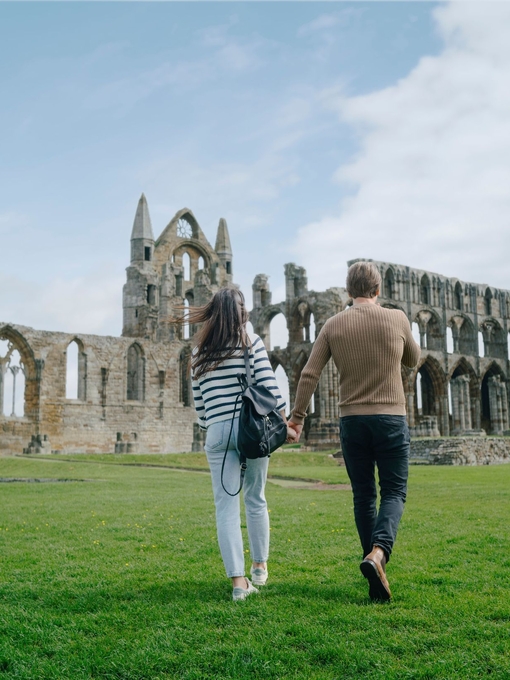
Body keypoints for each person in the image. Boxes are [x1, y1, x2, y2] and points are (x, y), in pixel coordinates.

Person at [288, 261, 420, 601]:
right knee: (393, 492)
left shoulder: (334, 324)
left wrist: (297, 417)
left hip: (352, 422)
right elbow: (413, 359)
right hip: (391, 418)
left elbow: (309, 373)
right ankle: (378, 555)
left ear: (349, 292)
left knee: (363, 496)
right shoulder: (397, 318)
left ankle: (375, 568)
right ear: (377, 290)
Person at [184, 286, 295, 601]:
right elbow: (269, 388)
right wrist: (285, 425)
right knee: (255, 497)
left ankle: (238, 583)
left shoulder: (198, 351)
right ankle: (259, 566)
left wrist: (215, 427)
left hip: (217, 432)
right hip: (251, 430)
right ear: (239, 312)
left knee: (225, 506)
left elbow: (201, 404)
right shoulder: (251, 342)